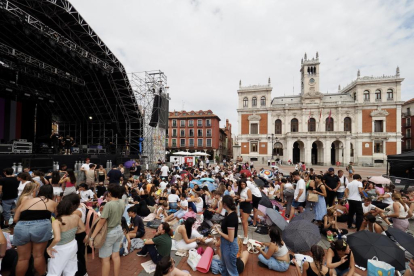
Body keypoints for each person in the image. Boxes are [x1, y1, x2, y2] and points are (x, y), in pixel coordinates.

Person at [13, 185, 57, 276]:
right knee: (38, 255)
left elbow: (15, 219)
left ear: (38, 192)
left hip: (21, 227)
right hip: (41, 226)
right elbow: (59, 217)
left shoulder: (27, 201)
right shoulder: (52, 203)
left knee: (22, 258)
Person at [89, 184, 126, 276]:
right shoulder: (122, 202)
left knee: (105, 260)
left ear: (109, 193)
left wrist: (92, 237)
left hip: (109, 232)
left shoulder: (109, 205)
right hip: (119, 230)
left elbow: (101, 222)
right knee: (116, 256)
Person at [46, 199, 85, 276]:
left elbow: (57, 238)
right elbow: (83, 229)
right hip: (72, 244)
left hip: (60, 248)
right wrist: (71, 233)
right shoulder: (75, 217)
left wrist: (49, 248)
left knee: (54, 272)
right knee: (70, 270)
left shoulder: (56, 221)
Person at [212, 195, 239, 276]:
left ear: (224, 204)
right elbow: (227, 228)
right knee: (224, 266)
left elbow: (230, 238)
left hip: (229, 246)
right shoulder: (229, 214)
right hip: (226, 245)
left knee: (231, 270)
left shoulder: (232, 217)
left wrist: (219, 232)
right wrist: (220, 226)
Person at [63, 193, 88, 276]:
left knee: (76, 256)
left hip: (77, 234)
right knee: (79, 255)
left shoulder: (76, 212)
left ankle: (81, 272)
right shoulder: (81, 206)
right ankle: (83, 271)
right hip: (80, 234)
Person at [237, 179, 252, 245]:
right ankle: (244, 234)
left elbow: (250, 199)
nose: (242, 185)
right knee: (243, 221)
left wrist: (244, 200)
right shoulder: (241, 190)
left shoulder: (248, 189)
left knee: (244, 222)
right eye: (241, 184)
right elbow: (241, 196)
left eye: (243, 184)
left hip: (246, 205)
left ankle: (246, 237)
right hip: (242, 204)